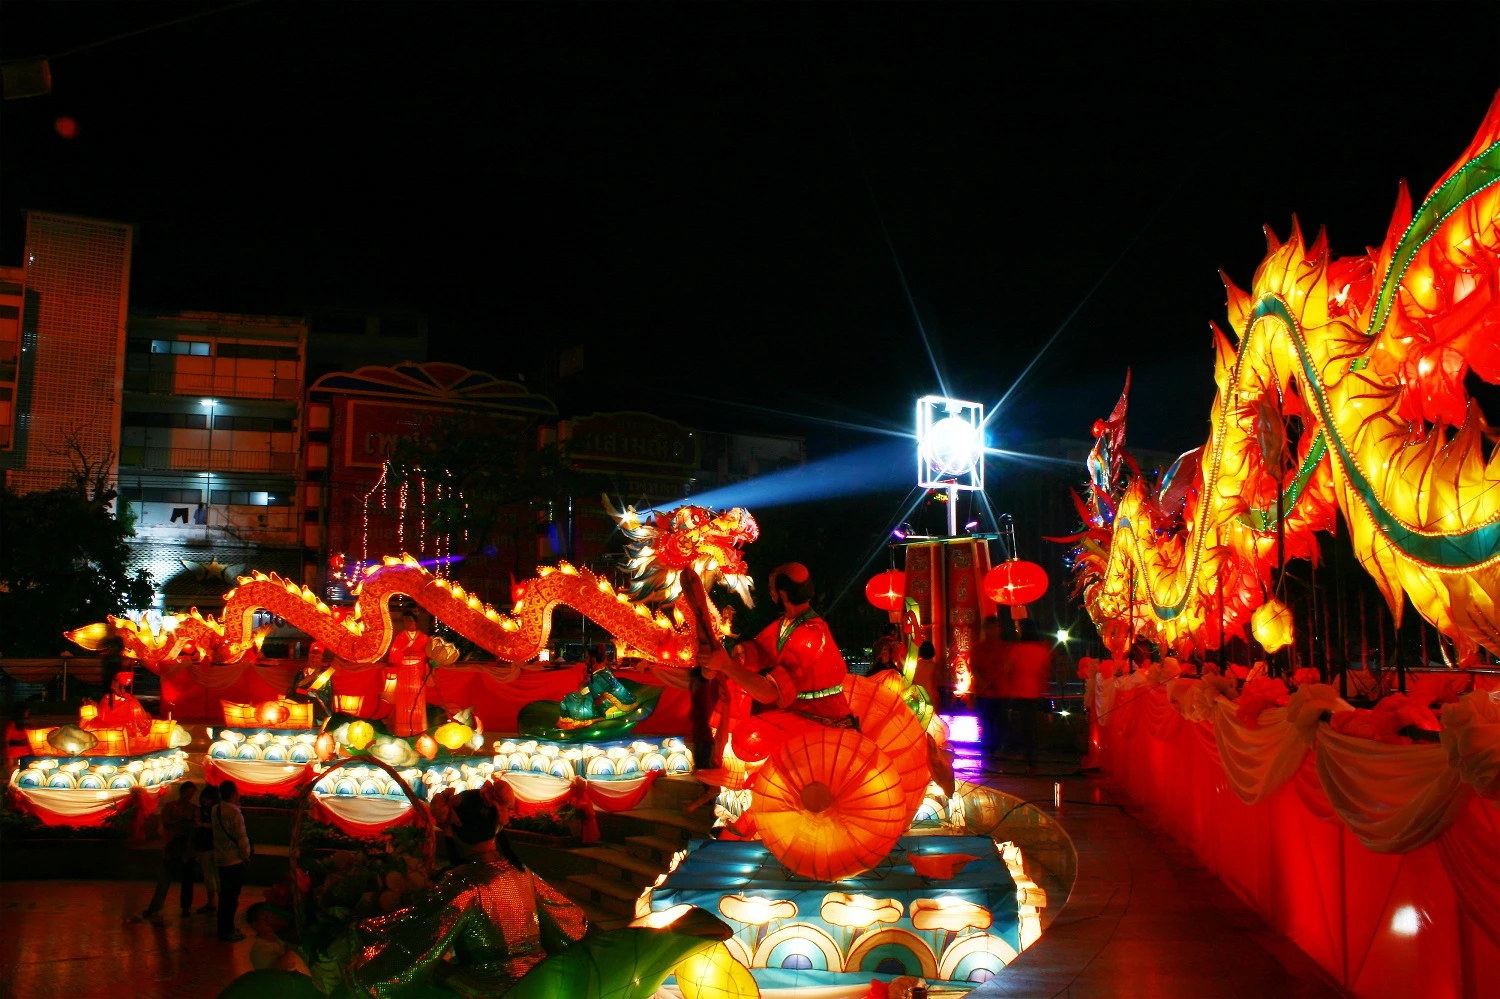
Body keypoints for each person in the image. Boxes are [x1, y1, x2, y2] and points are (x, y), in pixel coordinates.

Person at [345, 782, 588, 997]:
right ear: (498, 825)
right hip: (539, 983)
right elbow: (571, 924)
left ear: (451, 830)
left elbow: (417, 937)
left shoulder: (463, 885)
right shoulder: (521, 872)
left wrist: (367, 929)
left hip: (487, 989)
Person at [137, 782, 198, 924]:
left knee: (187, 881)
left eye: (191, 794)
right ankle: (155, 907)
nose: (189, 796)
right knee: (164, 880)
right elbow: (165, 824)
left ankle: (185, 908)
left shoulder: (193, 809)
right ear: (181, 792)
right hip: (172, 847)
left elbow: (195, 826)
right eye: (188, 793)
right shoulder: (170, 807)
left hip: (186, 849)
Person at [1004, 619, 1054, 772]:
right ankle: (1031, 759)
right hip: (1035, 692)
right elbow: (1046, 671)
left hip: (1019, 691)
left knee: (1023, 726)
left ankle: (1026, 758)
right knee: (1031, 726)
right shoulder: (1041, 650)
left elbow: (1008, 668)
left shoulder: (1017, 649)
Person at [212, 779, 252, 941]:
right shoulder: (235, 813)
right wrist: (246, 855)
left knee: (224, 896)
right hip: (234, 860)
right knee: (232, 897)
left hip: (221, 858)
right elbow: (241, 838)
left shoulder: (216, 809)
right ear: (234, 793)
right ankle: (227, 930)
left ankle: (223, 927)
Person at [970, 618, 1010, 758]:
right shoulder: (978, 649)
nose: (992, 631)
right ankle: (988, 750)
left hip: (1001, 693)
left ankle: (999, 750)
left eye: (995, 628)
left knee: (1000, 723)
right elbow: (974, 668)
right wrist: (983, 683)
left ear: (1000, 630)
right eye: (989, 628)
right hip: (984, 693)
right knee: (986, 723)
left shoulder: (1005, 648)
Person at [385, 613, 430, 737]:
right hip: (403, 673)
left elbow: (428, 655)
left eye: (410, 620)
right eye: (405, 621)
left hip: (417, 673)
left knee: (418, 701)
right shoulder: (400, 637)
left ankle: (419, 729)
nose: (407, 623)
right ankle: (402, 730)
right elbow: (394, 654)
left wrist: (417, 655)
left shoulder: (424, 638)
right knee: (403, 702)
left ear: (416, 622)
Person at [195, 783, 220, 915]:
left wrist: (203, 825)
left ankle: (216, 903)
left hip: (214, 847)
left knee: (216, 876)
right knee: (208, 877)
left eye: (209, 798)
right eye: (204, 798)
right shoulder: (201, 811)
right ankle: (212, 903)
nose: (206, 801)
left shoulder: (217, 811)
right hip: (204, 847)